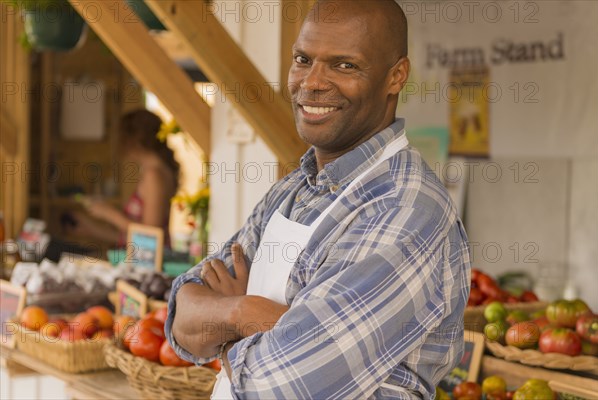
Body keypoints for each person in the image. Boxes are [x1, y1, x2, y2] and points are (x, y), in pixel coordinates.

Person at [166, 1, 471, 398]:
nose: (311, 82)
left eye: (344, 65)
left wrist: (224, 329)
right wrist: (242, 312)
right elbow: (180, 321)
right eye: (303, 59)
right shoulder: (292, 190)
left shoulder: (405, 208)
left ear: (396, 76)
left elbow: (278, 385)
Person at [68, 109, 179, 247]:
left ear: (133, 141)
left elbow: (151, 235)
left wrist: (108, 212)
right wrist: (92, 229)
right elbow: (136, 238)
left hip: (150, 263)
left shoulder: (154, 175)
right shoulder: (154, 172)